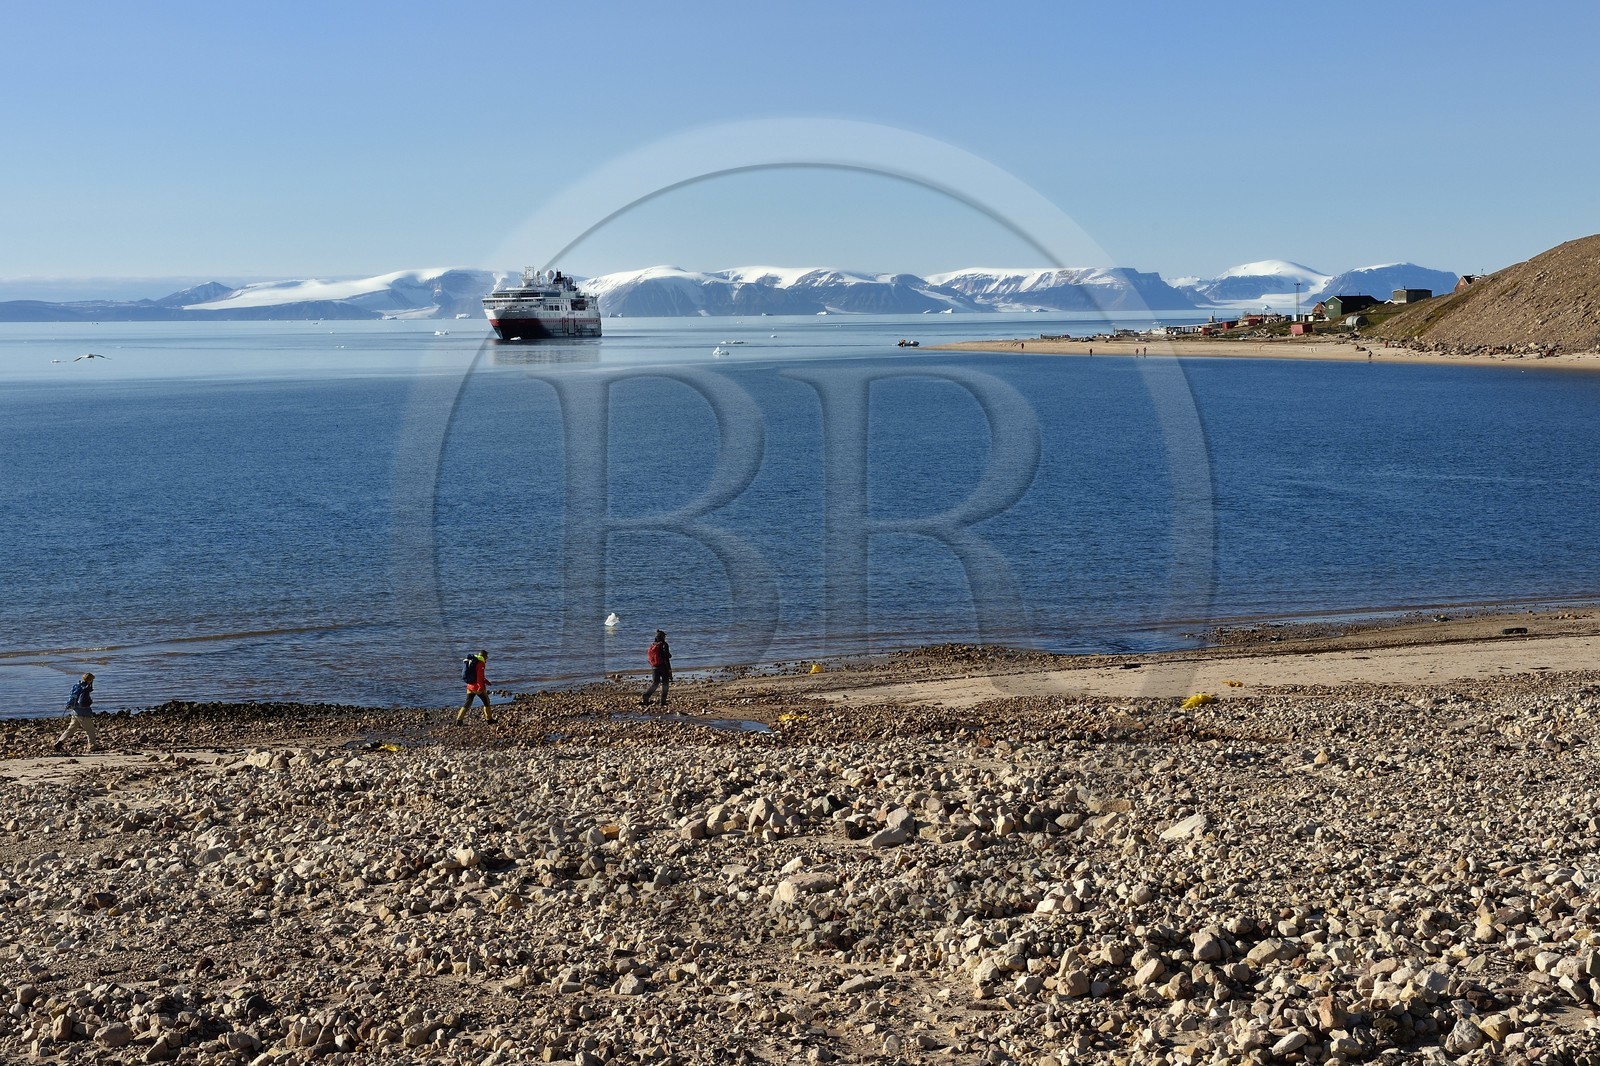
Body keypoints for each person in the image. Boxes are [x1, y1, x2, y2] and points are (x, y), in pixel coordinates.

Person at [55, 672, 100, 753]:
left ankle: (59, 742)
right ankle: (92, 746)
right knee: (90, 730)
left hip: (75, 711)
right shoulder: (85, 688)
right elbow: (84, 702)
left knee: (71, 729)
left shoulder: (77, 685)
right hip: (83, 713)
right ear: (90, 680)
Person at [457, 650, 495, 724]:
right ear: (484, 656)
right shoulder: (481, 663)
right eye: (486, 657)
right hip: (477, 687)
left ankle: (459, 720)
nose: (486, 658)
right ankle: (489, 719)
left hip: (469, 686)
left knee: (467, 703)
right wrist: (480, 686)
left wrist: (486, 681)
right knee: (487, 702)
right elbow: (479, 676)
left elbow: (477, 675)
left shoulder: (473, 661)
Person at [641, 630, 672, 708]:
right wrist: (669, 669)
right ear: (663, 637)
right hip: (663, 667)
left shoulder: (653, 645)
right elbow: (666, 658)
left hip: (654, 667)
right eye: (664, 636)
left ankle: (646, 696)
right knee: (665, 684)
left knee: (655, 683)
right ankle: (663, 702)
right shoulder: (664, 645)